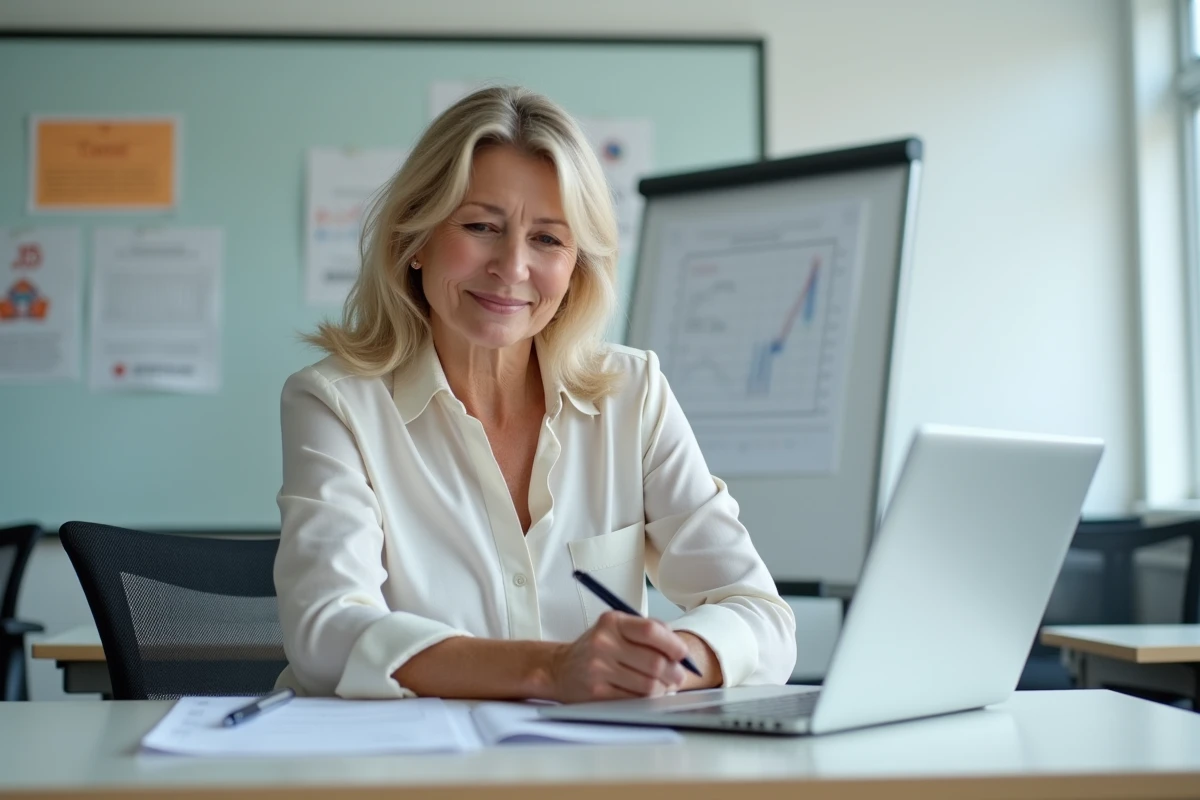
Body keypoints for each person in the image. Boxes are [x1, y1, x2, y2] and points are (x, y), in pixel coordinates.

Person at [274, 86, 796, 703]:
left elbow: (761, 617)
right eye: (480, 227)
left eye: (548, 239)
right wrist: (549, 669)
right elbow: (325, 632)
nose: (513, 266)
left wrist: (668, 662)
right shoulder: (336, 404)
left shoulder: (633, 395)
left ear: (577, 264)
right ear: (415, 240)